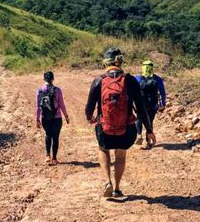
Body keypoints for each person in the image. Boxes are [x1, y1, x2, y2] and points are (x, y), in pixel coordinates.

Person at [85, 48, 155, 198]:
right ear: (120, 61)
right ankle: (117, 188)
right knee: (120, 155)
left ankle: (107, 182)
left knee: (103, 150)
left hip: (104, 126)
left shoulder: (99, 80)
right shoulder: (130, 80)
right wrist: (149, 130)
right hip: (126, 128)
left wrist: (90, 118)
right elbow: (141, 109)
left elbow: (89, 108)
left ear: (105, 63)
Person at [36, 71, 70, 165]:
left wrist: (37, 120)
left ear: (44, 79)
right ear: (53, 79)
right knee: (55, 137)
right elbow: (62, 105)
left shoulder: (39, 90)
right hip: (57, 118)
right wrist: (66, 116)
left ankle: (47, 156)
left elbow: (38, 107)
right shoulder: (57, 90)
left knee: (48, 134)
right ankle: (54, 159)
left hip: (45, 118)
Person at [134, 60, 166, 149]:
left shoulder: (137, 78)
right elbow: (162, 93)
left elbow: (132, 92)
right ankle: (148, 142)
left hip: (140, 104)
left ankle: (138, 134)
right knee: (149, 122)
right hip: (153, 105)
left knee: (139, 119)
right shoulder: (158, 79)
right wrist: (163, 103)